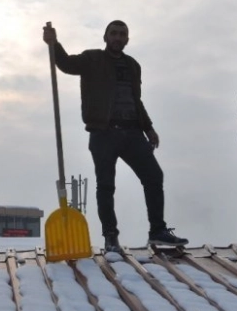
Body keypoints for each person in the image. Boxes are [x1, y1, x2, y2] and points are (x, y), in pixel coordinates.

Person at [43, 20, 188, 253]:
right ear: (105, 37)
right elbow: (66, 64)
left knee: (153, 176)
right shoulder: (92, 59)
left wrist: (148, 128)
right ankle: (111, 237)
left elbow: (135, 100)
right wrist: (54, 43)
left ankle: (157, 231)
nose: (118, 37)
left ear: (127, 39)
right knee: (106, 185)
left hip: (133, 132)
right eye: (114, 33)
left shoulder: (133, 66)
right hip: (104, 133)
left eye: (122, 34)